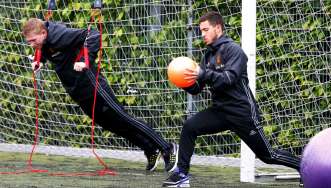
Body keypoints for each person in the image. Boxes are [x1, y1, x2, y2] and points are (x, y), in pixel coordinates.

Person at [162, 11, 301, 187]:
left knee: (268, 156)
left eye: (206, 30)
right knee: (190, 126)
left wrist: (203, 73)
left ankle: (302, 166)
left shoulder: (234, 50)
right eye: (201, 31)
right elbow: (197, 89)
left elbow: (229, 79)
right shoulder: (208, 55)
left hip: (242, 112)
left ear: (218, 28)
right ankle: (181, 175)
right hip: (220, 112)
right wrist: (182, 80)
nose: (202, 34)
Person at [22, 18, 178, 172]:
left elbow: (93, 34)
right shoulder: (45, 40)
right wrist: (39, 60)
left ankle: (167, 148)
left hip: (93, 85)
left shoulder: (59, 35)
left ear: (44, 32)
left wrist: (85, 60)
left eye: (33, 40)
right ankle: (150, 149)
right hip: (77, 90)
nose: (32, 45)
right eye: (29, 42)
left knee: (123, 117)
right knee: (112, 125)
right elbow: (49, 49)